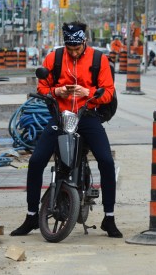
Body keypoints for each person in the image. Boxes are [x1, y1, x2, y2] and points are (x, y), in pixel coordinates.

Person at [10, 21, 122, 238]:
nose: (73, 52)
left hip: (87, 116)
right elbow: (42, 87)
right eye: (70, 48)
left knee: (106, 161)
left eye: (77, 48)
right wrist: (57, 91)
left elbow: (107, 91)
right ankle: (32, 215)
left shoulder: (100, 59)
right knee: (35, 161)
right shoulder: (54, 58)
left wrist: (86, 92)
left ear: (85, 42)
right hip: (61, 117)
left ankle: (109, 217)